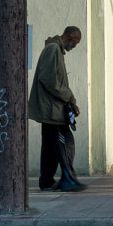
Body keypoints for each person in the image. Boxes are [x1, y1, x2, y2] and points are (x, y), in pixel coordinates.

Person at [28, 26, 86, 191]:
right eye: (76, 42)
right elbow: (48, 79)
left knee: (50, 148)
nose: (75, 46)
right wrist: (67, 97)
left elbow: (58, 81)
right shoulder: (53, 49)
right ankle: (68, 179)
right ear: (71, 36)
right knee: (66, 143)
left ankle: (46, 181)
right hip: (53, 111)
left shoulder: (55, 50)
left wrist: (71, 100)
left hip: (52, 109)